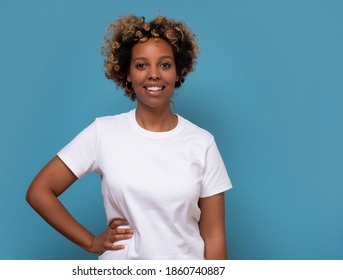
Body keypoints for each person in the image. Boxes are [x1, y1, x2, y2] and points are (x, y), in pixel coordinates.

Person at [26, 14, 232, 260]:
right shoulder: (103, 132)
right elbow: (39, 191)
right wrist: (91, 242)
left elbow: (214, 236)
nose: (153, 74)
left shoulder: (202, 142)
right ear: (127, 73)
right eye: (141, 65)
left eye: (165, 64)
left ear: (178, 72)